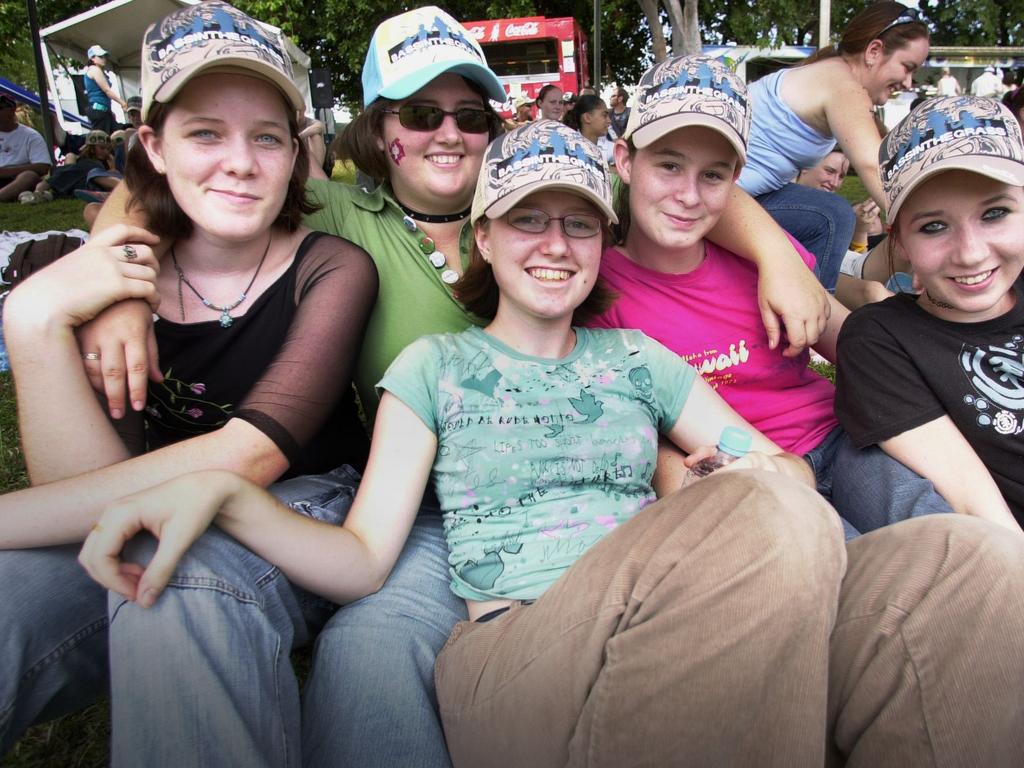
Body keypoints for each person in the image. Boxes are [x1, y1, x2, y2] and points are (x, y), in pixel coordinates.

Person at [79, 117, 1024, 768]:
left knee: (970, 558)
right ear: (483, 238)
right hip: (520, 649)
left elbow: (771, 468)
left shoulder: (639, 359)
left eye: (577, 223)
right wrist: (236, 498)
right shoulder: (432, 368)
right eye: (528, 220)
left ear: (602, 242)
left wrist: (698, 477)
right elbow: (363, 559)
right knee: (771, 508)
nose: (554, 243)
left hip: (675, 611)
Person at [83, 6, 831, 764]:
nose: (553, 244)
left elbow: (685, 170)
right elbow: (170, 178)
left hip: (638, 583)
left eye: (470, 115)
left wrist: (773, 260)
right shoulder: (369, 263)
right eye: (420, 112)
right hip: (487, 588)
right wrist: (121, 285)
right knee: (367, 655)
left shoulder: (636, 354)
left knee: (917, 548)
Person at [0, 2, 377, 761]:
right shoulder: (105, 280)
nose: (239, 162)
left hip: (300, 501)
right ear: (154, 145)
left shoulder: (332, 268)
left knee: (176, 568)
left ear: (295, 153)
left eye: (265, 138)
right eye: (205, 133)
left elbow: (248, 461)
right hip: (140, 498)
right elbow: (85, 493)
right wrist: (34, 321)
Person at [590, 54, 953, 535]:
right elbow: (630, 434)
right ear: (625, 161)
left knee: (937, 534)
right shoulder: (600, 293)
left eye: (713, 175)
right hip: (746, 477)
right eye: (669, 165)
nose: (689, 195)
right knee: (842, 572)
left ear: (735, 179)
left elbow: (852, 345)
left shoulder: (764, 259)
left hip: (838, 440)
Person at [836, 94, 1024, 532]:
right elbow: (975, 504)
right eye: (934, 227)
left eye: (995, 214)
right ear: (898, 241)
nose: (971, 254)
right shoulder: (882, 339)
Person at [737, 1, 929, 292]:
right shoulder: (843, 86)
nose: (908, 81)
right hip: (720, 200)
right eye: (907, 67)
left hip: (744, 196)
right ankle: (809, 316)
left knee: (824, 212)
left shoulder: (828, 72)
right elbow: (875, 168)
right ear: (874, 51)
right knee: (831, 215)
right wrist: (926, 226)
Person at [795, 150, 892, 307]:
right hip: (804, 282)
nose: (834, 182)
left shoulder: (834, 214)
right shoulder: (834, 212)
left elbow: (852, 264)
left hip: (830, 278)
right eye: (829, 171)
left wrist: (861, 230)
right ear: (807, 165)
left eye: (841, 177)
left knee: (875, 292)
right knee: (873, 293)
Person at [18, 129, 119, 203]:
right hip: (86, 184)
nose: (106, 152)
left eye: (108, 149)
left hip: (83, 187)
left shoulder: (101, 162)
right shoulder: (89, 163)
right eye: (102, 148)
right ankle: (40, 193)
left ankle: (41, 194)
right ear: (91, 149)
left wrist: (112, 166)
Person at [0, 95, 51, 202]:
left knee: (29, 176)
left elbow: (43, 167)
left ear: (11, 110)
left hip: (17, 178)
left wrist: (7, 171)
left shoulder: (30, 136)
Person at [84, 44, 128, 135]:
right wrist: (122, 103)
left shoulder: (97, 70)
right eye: (100, 56)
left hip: (103, 110)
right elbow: (106, 90)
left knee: (117, 135)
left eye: (104, 56)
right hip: (99, 111)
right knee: (103, 140)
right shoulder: (94, 70)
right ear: (92, 58)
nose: (104, 59)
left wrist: (109, 111)